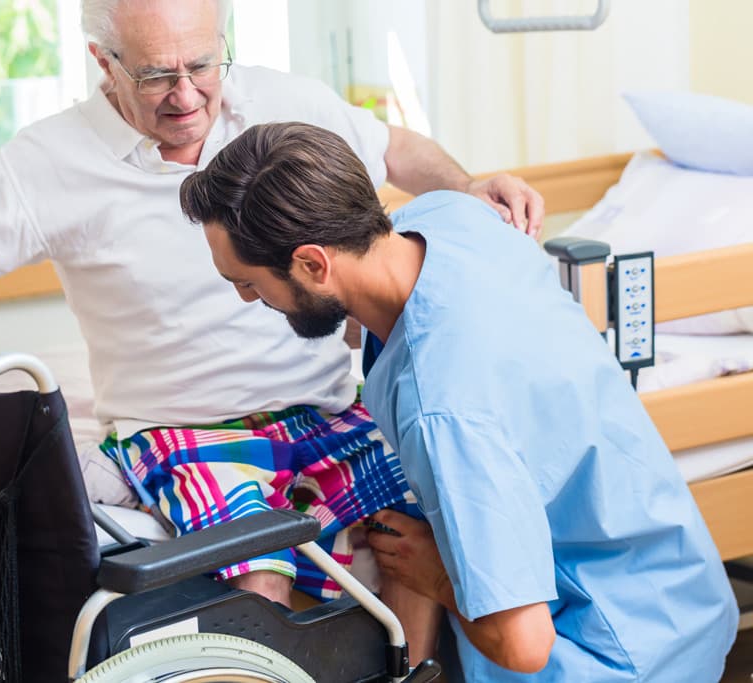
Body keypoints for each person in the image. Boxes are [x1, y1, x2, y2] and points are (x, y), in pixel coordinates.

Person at [0, 0, 542, 644]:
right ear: (102, 62)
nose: (186, 94)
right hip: (182, 428)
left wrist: (469, 188)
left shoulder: (284, 103)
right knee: (259, 566)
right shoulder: (51, 160)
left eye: (201, 64)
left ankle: (412, 670)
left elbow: (394, 148)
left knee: (419, 515)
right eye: (156, 75)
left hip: (325, 405)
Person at [179, 120, 738, 681]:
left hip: (616, 656)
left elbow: (525, 646)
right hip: (685, 597)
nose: (247, 298)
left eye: (248, 283)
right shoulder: (451, 217)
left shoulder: (443, 408)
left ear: (313, 263)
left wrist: (437, 575)